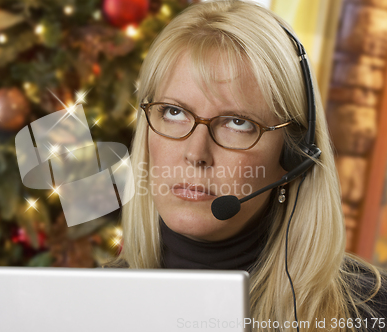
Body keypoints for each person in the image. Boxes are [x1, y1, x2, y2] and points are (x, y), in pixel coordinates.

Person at [101, 0, 387, 331]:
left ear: (293, 155)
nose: (196, 153)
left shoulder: (371, 313)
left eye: (237, 122)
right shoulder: (85, 307)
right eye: (173, 112)